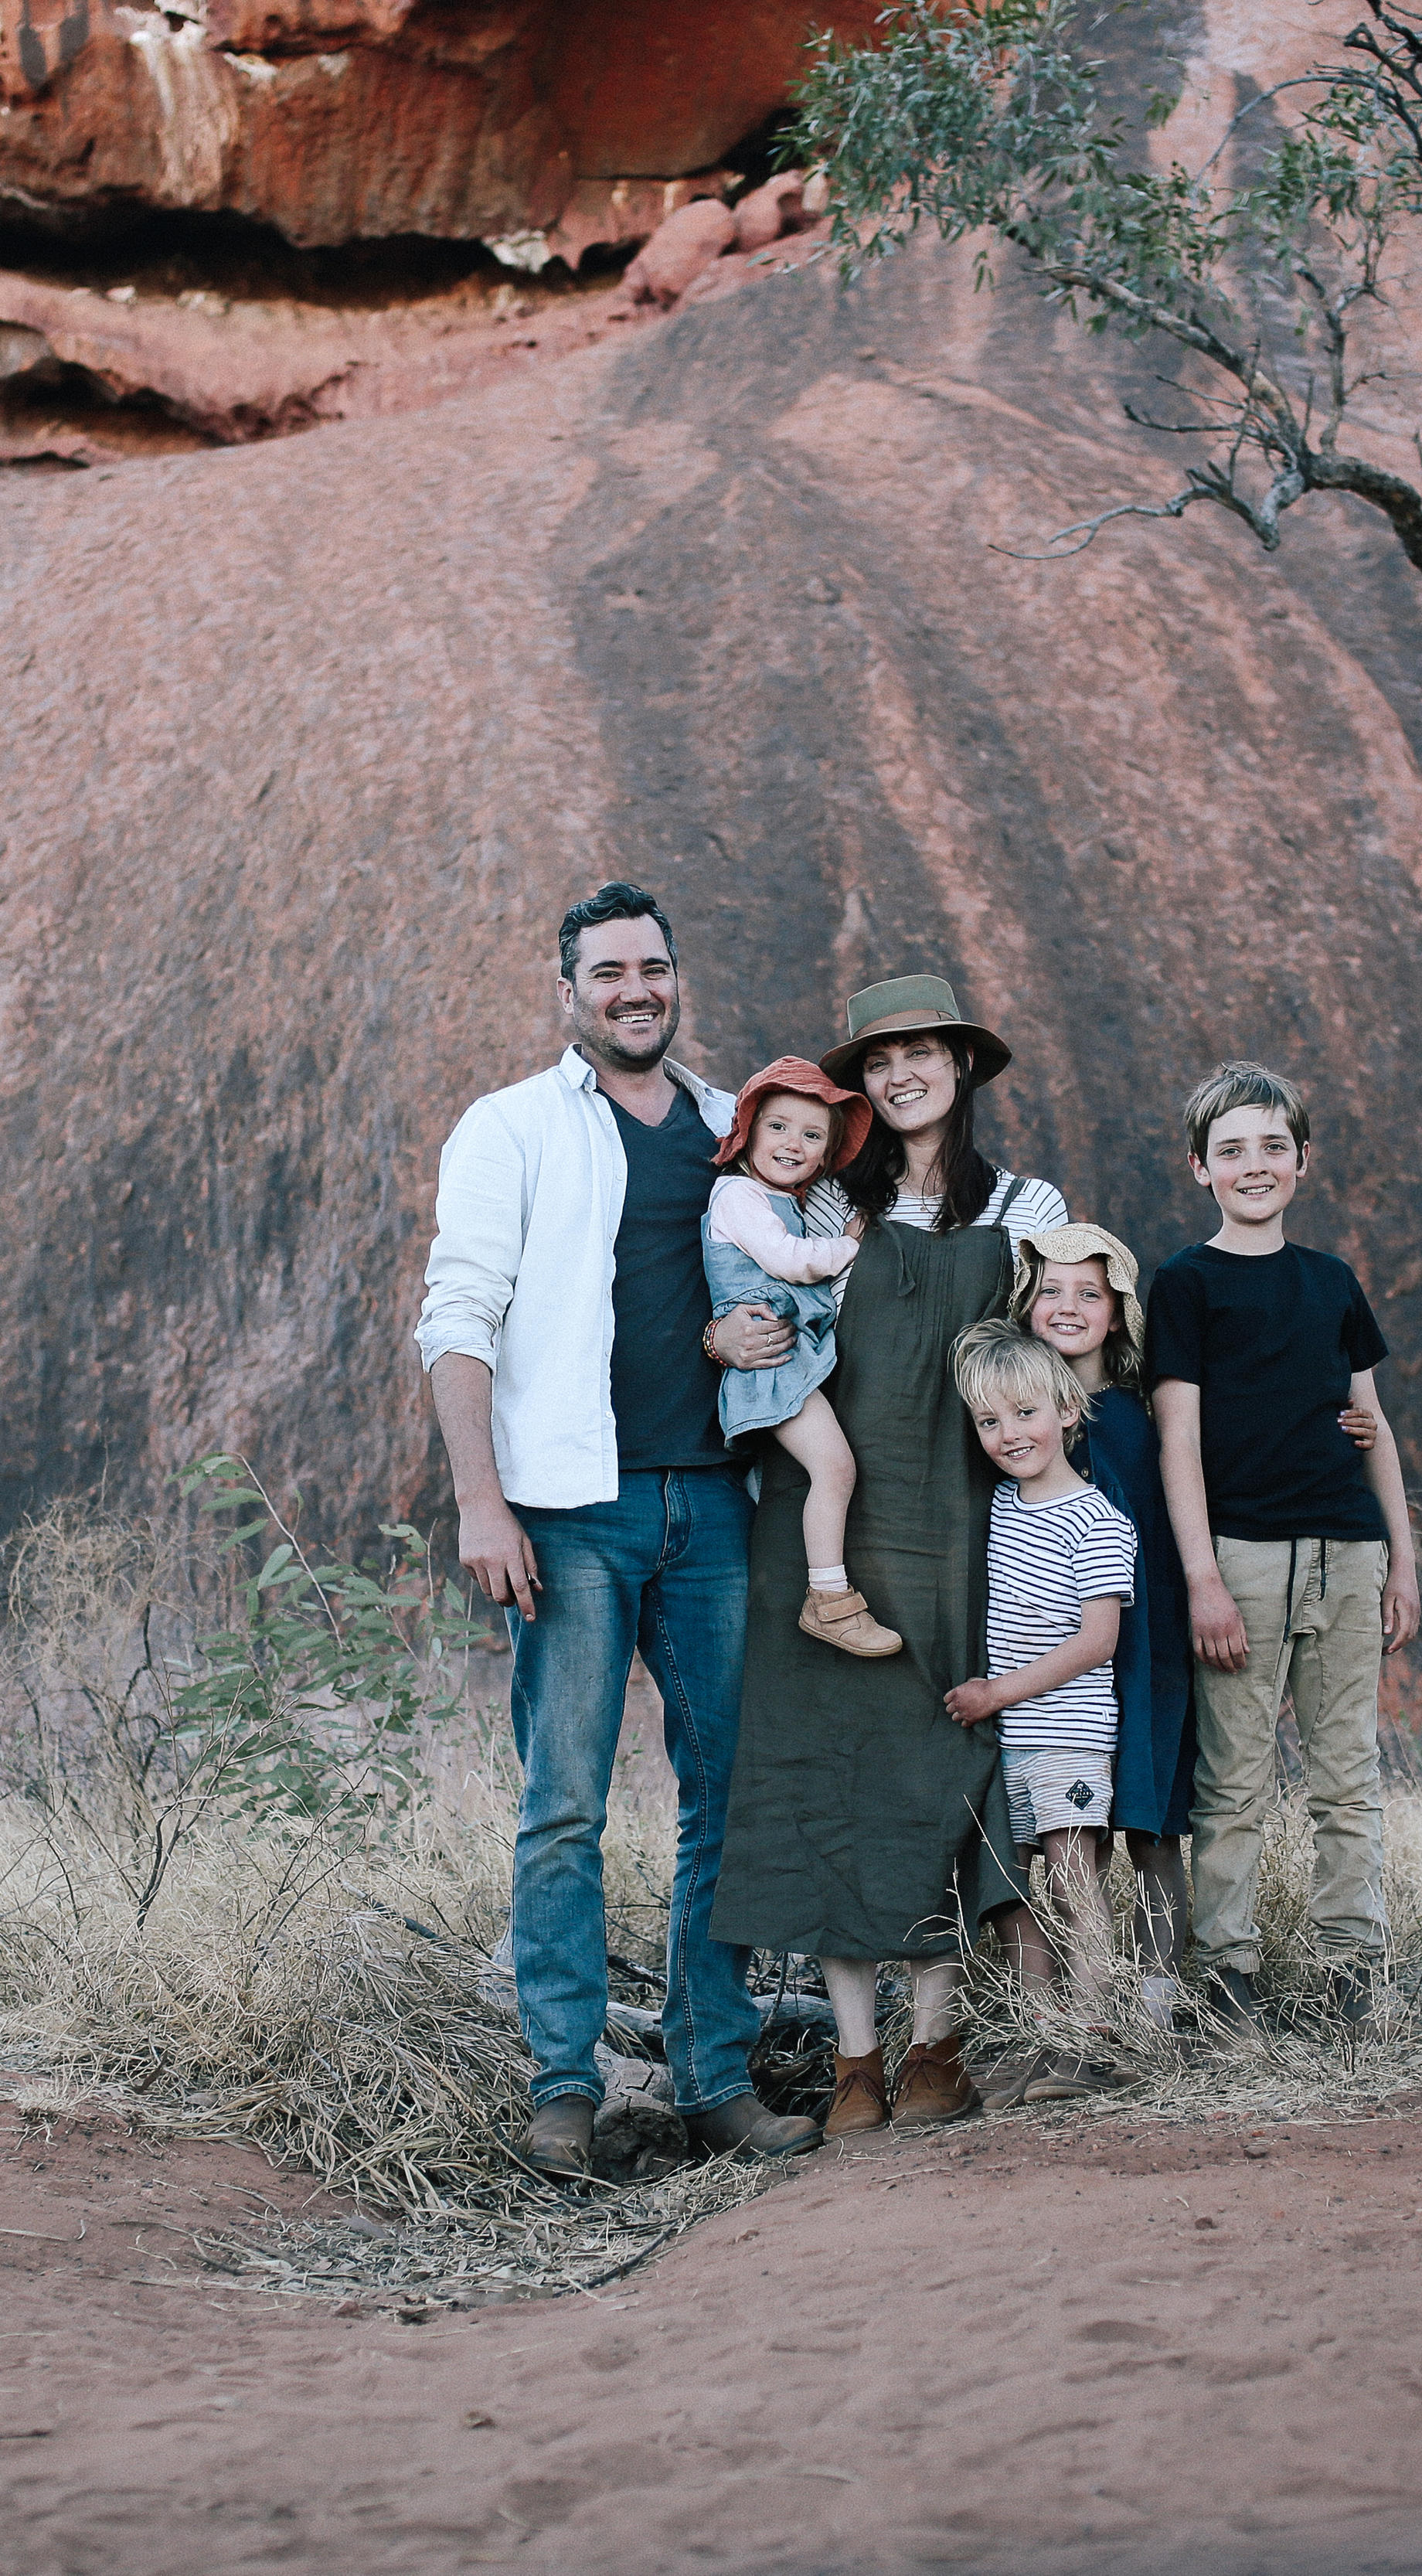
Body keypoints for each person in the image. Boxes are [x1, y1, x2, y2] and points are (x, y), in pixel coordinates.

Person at [413, 882, 824, 2180]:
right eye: (609, 971)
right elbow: (457, 1314)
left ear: (675, 977)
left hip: (714, 1499)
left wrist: (739, 1339)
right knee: (565, 1804)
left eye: (653, 966)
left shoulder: (726, 1126)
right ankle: (563, 2087)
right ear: (571, 991)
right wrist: (482, 1499)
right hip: (571, 1512)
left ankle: (714, 2076)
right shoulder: (514, 1128)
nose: (635, 988)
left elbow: (778, 1278)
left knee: (726, 1795)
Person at [710, 973, 1073, 2137]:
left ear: (961, 1064)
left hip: (961, 1525)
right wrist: (722, 1333)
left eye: (921, 1050)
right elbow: (739, 1299)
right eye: (879, 1058)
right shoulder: (817, 1202)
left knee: (936, 1766)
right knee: (822, 1768)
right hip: (817, 1525)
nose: (899, 1073)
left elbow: (1076, 1340)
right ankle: (855, 2063)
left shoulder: (1027, 1203)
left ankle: (938, 2045)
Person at [1149, 1060, 1422, 2037]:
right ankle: (1224, 1982)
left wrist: (1402, 1558)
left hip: (1347, 1552)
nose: (1253, 1165)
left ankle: (1354, 1976)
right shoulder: (1184, 1284)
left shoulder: (1331, 1281)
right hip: (1242, 1558)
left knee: (1347, 1777)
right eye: (1231, 1151)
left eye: (1272, 1147)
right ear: (1198, 1168)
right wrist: (1202, 1580)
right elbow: (1177, 1438)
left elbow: (1372, 1422)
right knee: (1233, 1786)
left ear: (1302, 1161)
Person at [1008, 1223, 1195, 2055]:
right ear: (1025, 1303)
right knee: (1065, 1837)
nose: (1068, 1306)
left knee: (1151, 1828)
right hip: (1053, 1657)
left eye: (1089, 1292)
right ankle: (1067, 2014)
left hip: (1145, 1641)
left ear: (1118, 1312)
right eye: (1049, 1289)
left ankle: (1153, 2013)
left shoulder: (1145, 1409)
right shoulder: (1016, 1415)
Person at [942, 1319, 1138, 2099]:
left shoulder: (1094, 1519)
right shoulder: (995, 1509)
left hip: (1066, 1734)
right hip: (1007, 1746)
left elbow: (1096, 1641)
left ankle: (1096, 2035)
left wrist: (995, 1693)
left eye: (1023, 1413)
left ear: (1065, 1409)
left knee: (1072, 1882)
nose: (1007, 1434)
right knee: (1011, 1898)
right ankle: (1044, 2037)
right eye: (988, 1421)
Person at [701, 1057, 903, 1659]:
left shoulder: (776, 1197)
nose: (794, 1143)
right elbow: (789, 1260)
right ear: (748, 1133)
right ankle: (829, 1599)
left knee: (805, 1477)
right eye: (779, 1127)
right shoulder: (737, 1194)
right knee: (835, 1469)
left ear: (824, 1157)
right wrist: (848, 1245)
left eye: (812, 1136)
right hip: (773, 1360)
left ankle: (818, 1587)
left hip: (793, 1354)